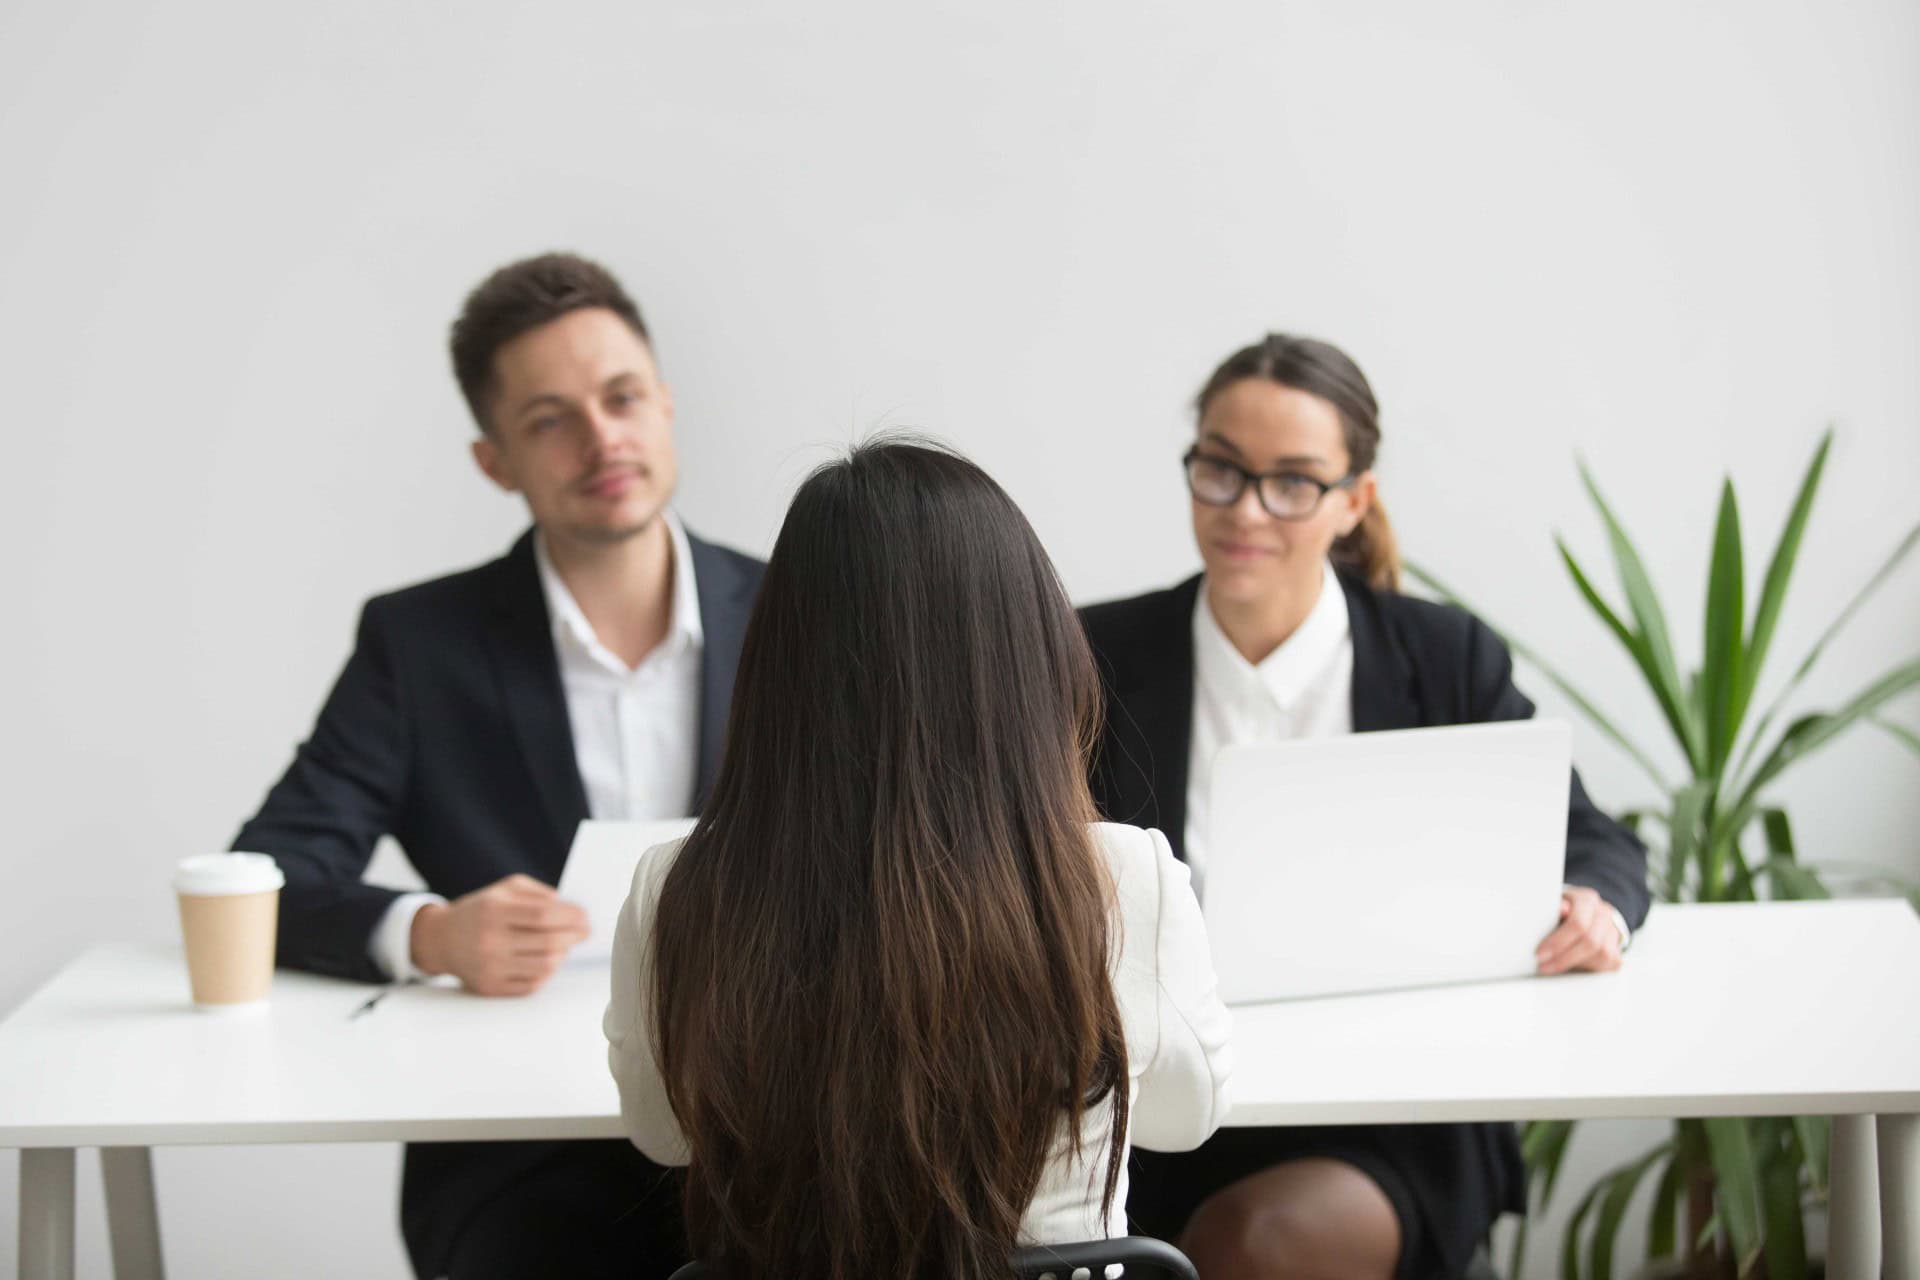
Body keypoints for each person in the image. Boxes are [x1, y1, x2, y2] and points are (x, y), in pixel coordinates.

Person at [232, 252, 763, 1279]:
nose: (602, 438)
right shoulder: (419, 643)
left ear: (665, 405)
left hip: (769, 1121)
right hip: (521, 1152)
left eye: (621, 398)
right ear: (494, 460)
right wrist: (429, 930)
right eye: (551, 418)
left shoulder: (800, 610)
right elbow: (270, 872)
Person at [1081, 334, 1651, 1280]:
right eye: (1221, 469)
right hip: (1168, 1110)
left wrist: (1597, 905)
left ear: (1355, 501)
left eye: (1293, 481)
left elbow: (1595, 840)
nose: (1247, 509)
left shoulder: (1442, 657)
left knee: (1252, 1248)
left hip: (1395, 1113)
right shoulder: (1100, 653)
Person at [604, 438, 1235, 1280]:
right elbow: (1186, 1119)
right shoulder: (1122, 879)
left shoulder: (678, 885)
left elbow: (663, 1133)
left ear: (778, 665)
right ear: (1027, 655)